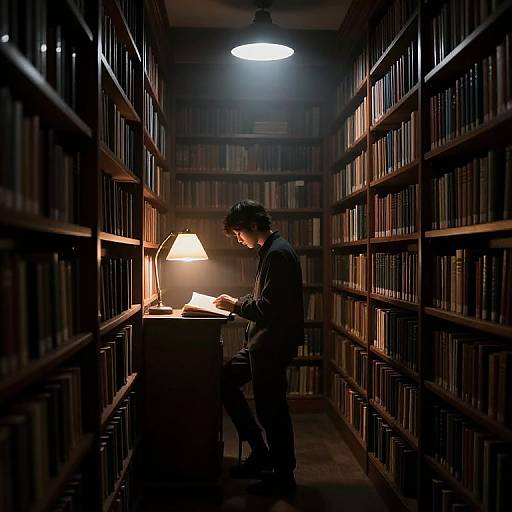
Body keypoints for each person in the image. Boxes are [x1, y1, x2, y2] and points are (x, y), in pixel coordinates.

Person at [213, 200, 304, 496]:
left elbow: (269, 308)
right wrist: (240, 301)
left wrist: (236, 305)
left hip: (270, 345)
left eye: (239, 232)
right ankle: (261, 452)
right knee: (224, 382)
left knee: (272, 411)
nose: (238, 239)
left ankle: (283, 475)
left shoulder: (277, 254)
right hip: (260, 343)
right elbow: (267, 298)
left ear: (253, 226)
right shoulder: (271, 250)